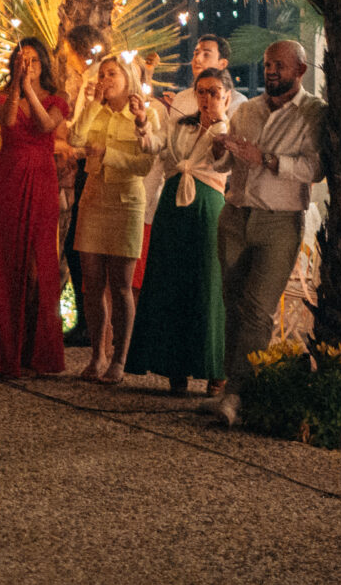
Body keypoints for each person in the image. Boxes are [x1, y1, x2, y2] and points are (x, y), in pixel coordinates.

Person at [205, 41, 326, 426]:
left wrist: (267, 160)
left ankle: (238, 396)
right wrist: (219, 146)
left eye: (279, 65)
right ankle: (232, 389)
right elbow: (224, 165)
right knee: (233, 303)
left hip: (280, 221)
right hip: (236, 216)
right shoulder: (247, 110)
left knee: (258, 310)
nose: (271, 70)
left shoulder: (314, 114)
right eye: (267, 64)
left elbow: (315, 169)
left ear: (301, 70)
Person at [127, 68, 232, 394]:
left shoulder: (229, 129)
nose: (207, 98)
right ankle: (175, 366)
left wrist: (217, 131)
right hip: (173, 210)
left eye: (214, 92)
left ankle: (215, 369)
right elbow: (153, 145)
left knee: (207, 283)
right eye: (202, 91)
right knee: (171, 283)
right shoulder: (182, 125)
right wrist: (143, 121)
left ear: (226, 95)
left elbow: (224, 163)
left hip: (207, 209)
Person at [0, 38, 70, 377]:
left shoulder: (59, 100)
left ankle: (35, 351)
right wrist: (17, 83)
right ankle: (2, 353)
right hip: (9, 178)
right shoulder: (3, 96)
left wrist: (30, 87)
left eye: (32, 60)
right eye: (21, 60)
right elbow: (9, 123)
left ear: (43, 64)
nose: (27, 64)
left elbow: (47, 126)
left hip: (42, 178)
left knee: (36, 265)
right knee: (5, 261)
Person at [71, 55, 158, 382]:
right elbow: (77, 139)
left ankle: (120, 358)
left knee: (121, 286)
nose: (105, 79)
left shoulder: (144, 114)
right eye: (102, 73)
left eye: (112, 73)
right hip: (93, 199)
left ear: (128, 78)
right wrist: (92, 104)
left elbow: (144, 166)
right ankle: (97, 354)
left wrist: (108, 154)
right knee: (92, 284)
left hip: (126, 202)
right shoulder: (97, 110)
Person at [56, 24, 109, 349]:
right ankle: (87, 322)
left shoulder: (93, 80)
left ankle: (91, 324)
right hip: (83, 161)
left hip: (91, 165)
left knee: (81, 247)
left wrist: (68, 145)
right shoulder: (89, 79)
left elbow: (83, 131)